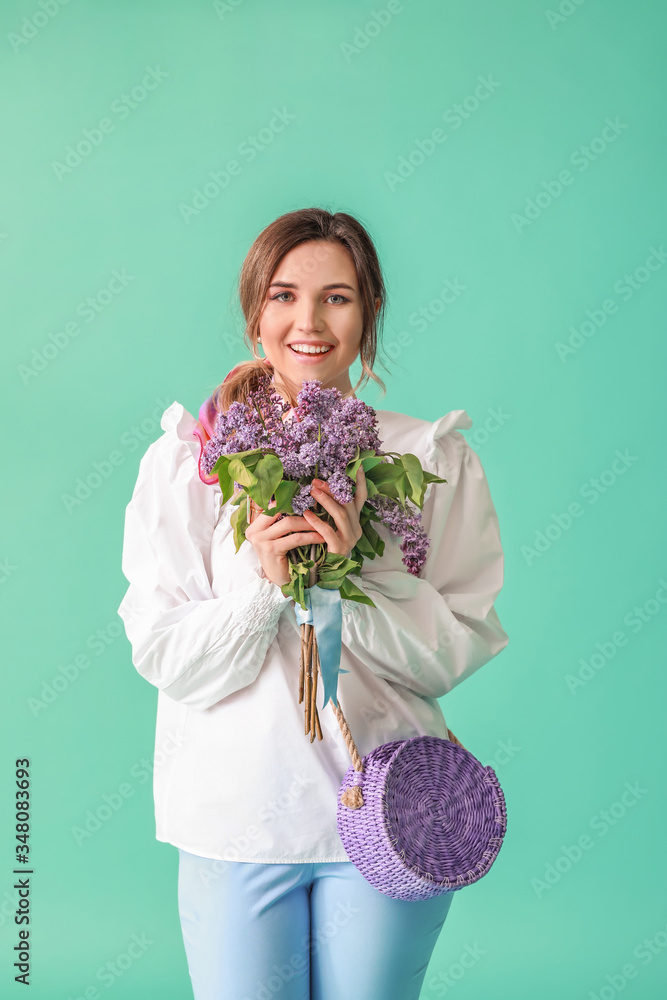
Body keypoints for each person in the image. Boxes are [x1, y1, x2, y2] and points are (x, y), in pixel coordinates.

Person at [117, 207, 510, 1000]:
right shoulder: (189, 461)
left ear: (368, 314)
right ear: (253, 310)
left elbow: (454, 648)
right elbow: (166, 658)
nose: (307, 321)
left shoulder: (427, 456)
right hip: (236, 818)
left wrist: (347, 579)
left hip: (389, 809)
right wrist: (265, 583)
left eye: (336, 297)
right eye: (283, 295)